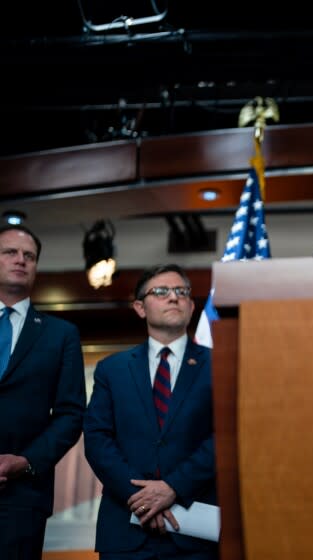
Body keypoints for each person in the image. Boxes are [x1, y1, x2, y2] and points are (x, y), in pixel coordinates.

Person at [84, 264, 217, 559]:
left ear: (192, 306)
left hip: (195, 530)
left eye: (181, 292)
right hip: (125, 530)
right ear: (140, 307)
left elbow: (225, 437)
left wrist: (173, 488)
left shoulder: (219, 365)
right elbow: (98, 440)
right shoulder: (112, 369)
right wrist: (142, 499)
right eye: (161, 291)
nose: (174, 297)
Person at [0, 224, 86, 559]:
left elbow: (70, 414)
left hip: (23, 497)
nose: (20, 260)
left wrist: (25, 461)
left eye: (29, 256)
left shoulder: (60, 335)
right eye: (10, 252)